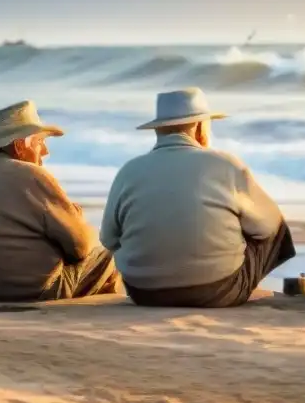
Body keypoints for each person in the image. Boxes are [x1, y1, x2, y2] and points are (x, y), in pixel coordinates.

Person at [101, 87, 295, 308]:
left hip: (143, 293)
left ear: (158, 130)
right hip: (216, 291)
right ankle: (234, 278)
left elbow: (109, 239)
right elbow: (268, 227)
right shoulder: (224, 164)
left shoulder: (129, 171)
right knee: (272, 225)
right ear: (201, 127)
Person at [0, 101, 120, 302]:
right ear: (20, 146)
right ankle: (100, 313)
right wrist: (78, 219)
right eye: (39, 142)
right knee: (106, 247)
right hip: (21, 292)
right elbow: (79, 248)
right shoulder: (31, 175)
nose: (45, 151)